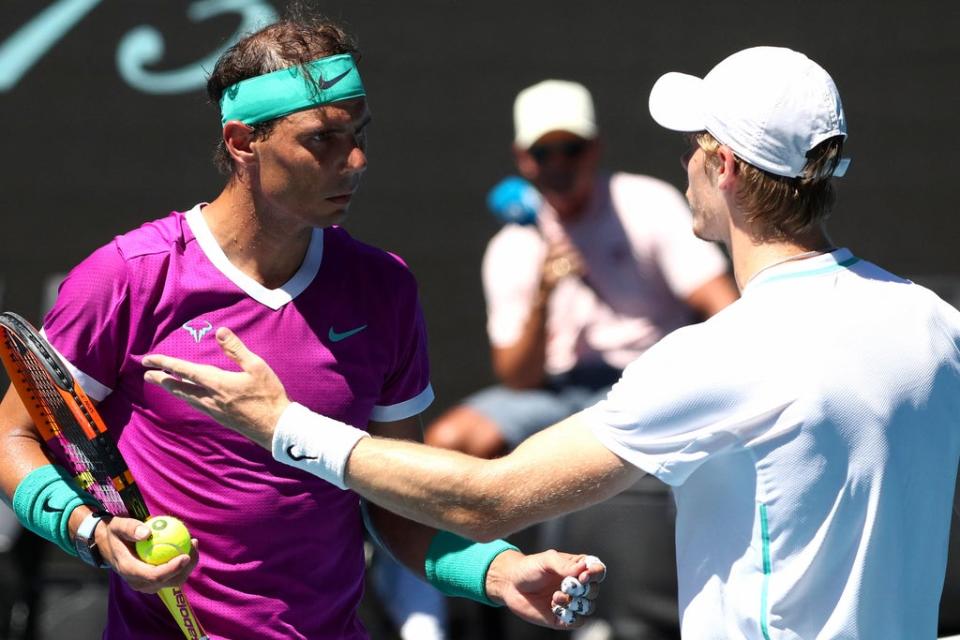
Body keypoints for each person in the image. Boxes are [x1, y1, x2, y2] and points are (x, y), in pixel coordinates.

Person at [144, 46, 960, 639]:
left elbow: (487, 500)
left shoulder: (723, 356)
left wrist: (282, 423)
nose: (685, 166)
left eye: (695, 149)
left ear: (729, 173)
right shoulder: (935, 323)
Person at [0, 13, 606, 640]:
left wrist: (497, 569)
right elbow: (10, 437)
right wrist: (92, 533)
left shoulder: (383, 288)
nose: (356, 160)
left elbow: (394, 502)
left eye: (359, 134)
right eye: (322, 140)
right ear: (243, 142)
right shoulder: (127, 277)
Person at [425, 79, 738, 460]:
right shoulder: (511, 245)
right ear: (522, 158)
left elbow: (721, 302)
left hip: (650, 380)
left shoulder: (645, 202)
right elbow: (518, 379)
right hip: (557, 394)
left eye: (571, 149)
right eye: (543, 153)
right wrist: (544, 293)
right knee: (451, 443)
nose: (559, 164)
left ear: (595, 149)